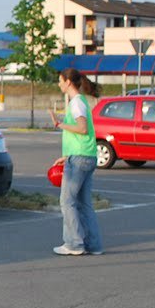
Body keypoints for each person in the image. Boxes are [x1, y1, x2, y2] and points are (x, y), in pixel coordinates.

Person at [50, 67, 102, 256]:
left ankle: (74, 243)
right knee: (84, 203)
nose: (59, 84)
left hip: (79, 158)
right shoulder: (81, 102)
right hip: (85, 155)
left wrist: (59, 124)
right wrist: (67, 155)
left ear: (68, 82)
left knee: (67, 201)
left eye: (60, 80)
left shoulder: (76, 103)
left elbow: (82, 129)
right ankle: (93, 244)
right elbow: (83, 136)